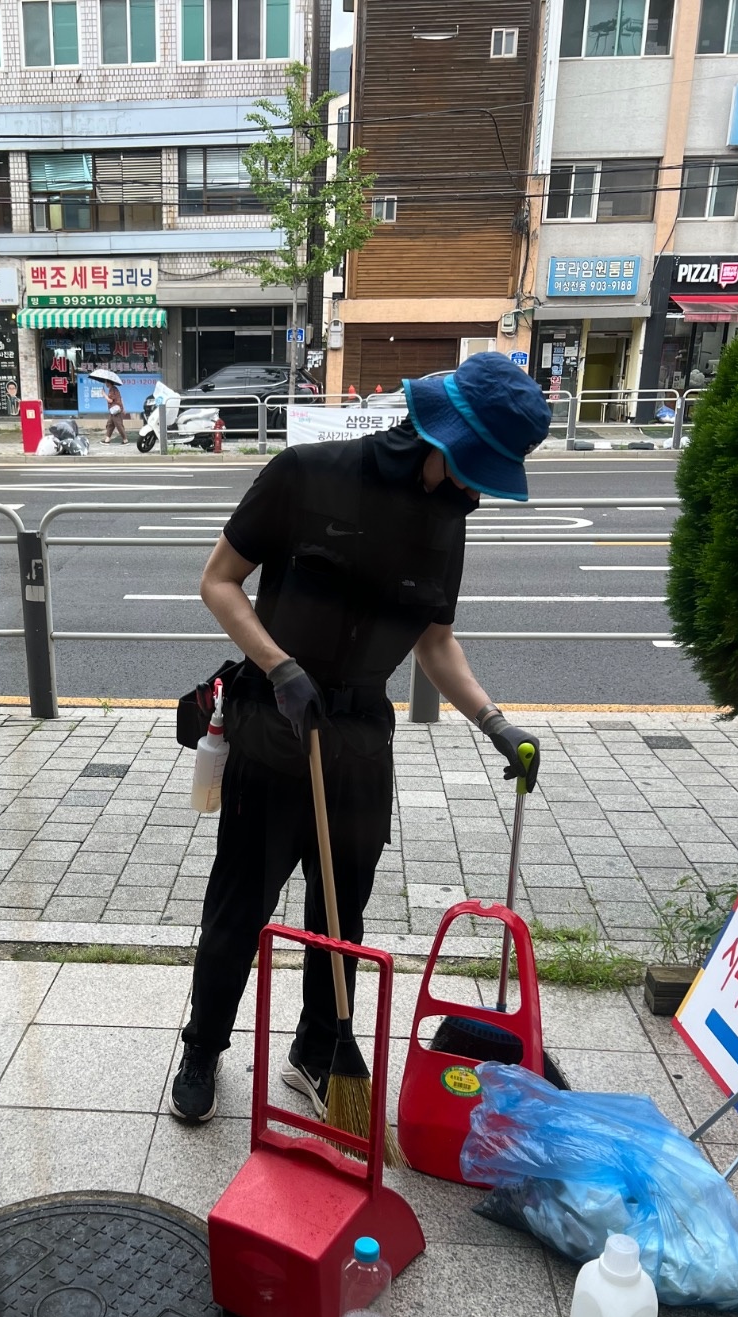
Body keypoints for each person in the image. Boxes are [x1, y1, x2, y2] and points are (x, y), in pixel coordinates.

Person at [169, 353, 552, 1123]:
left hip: (358, 743)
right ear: (443, 434)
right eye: (478, 465)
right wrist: (278, 667)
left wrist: (496, 724)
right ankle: (204, 1047)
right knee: (239, 910)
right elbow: (218, 580)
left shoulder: (448, 518)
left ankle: (316, 1049)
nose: (480, 486)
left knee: (341, 917)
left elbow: (435, 643)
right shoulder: (306, 473)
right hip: (274, 727)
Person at [104, 379, 127, 444]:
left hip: (116, 411)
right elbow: (121, 398)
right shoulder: (114, 389)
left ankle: (125, 440)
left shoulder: (112, 390)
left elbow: (110, 400)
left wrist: (104, 395)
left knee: (119, 425)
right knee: (110, 424)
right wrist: (123, 408)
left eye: (106, 382)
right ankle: (107, 439)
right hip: (113, 411)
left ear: (109, 383)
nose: (105, 384)